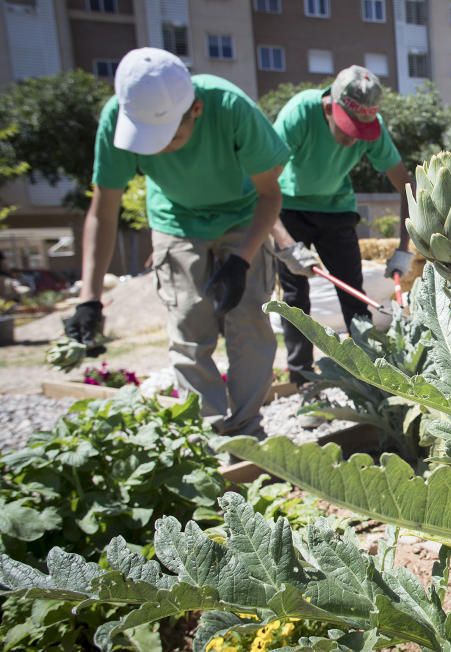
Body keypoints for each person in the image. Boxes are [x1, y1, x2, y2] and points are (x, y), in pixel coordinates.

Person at [63, 48, 290, 439]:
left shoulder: (231, 106)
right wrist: (89, 297)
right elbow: (103, 212)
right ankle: (208, 435)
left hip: (243, 214)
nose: (161, 148)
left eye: (171, 136)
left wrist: (241, 260)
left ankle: (248, 432)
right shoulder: (117, 118)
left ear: (196, 110)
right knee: (188, 325)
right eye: (148, 140)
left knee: (250, 323)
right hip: (176, 221)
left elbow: (270, 196)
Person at [271, 66, 414, 387]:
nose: (353, 140)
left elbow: (406, 186)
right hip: (290, 206)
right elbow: (262, 180)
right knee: (295, 298)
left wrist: (405, 249)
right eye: (348, 129)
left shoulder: (371, 127)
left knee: (353, 294)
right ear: (328, 108)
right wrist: (284, 242)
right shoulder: (300, 112)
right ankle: (303, 381)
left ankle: (369, 378)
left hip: (336, 208)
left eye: (361, 133)